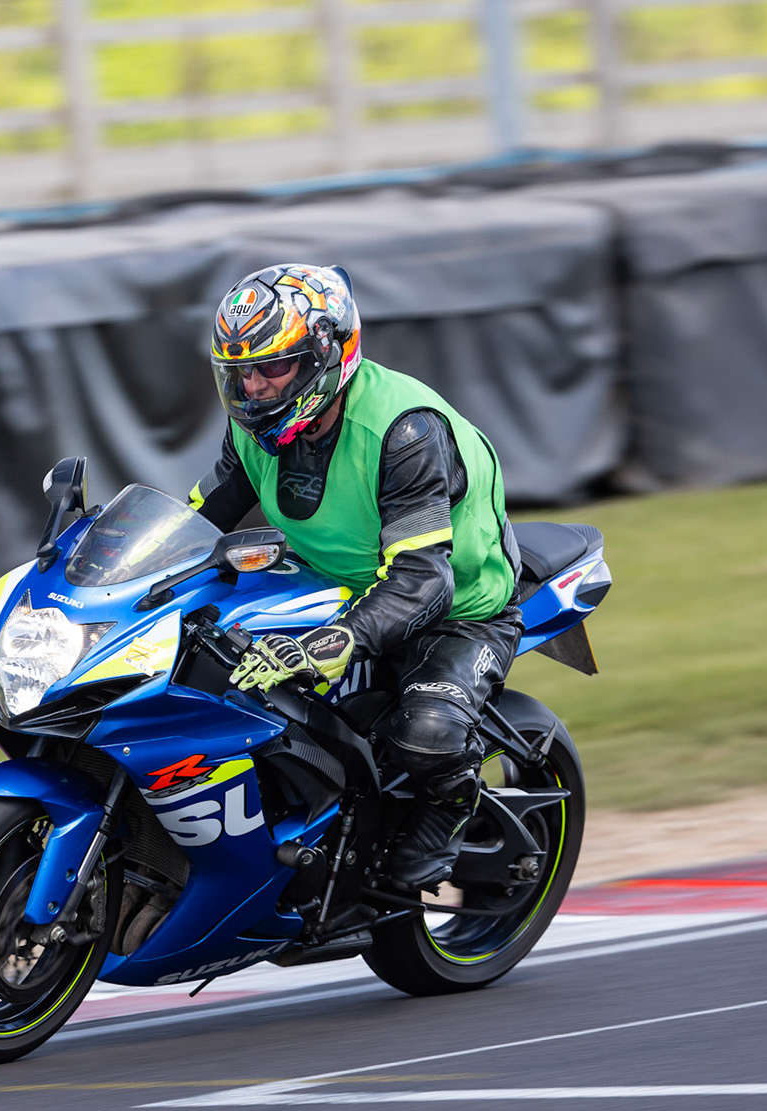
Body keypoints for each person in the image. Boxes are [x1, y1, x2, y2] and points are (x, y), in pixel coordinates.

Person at [190, 263, 522, 891]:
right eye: (240, 373)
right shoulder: (255, 426)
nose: (253, 388)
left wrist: (334, 641)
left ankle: (453, 802)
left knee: (426, 736)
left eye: (272, 367)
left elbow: (423, 581)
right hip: (327, 587)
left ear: (325, 355)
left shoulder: (404, 430)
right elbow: (199, 520)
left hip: (455, 608)